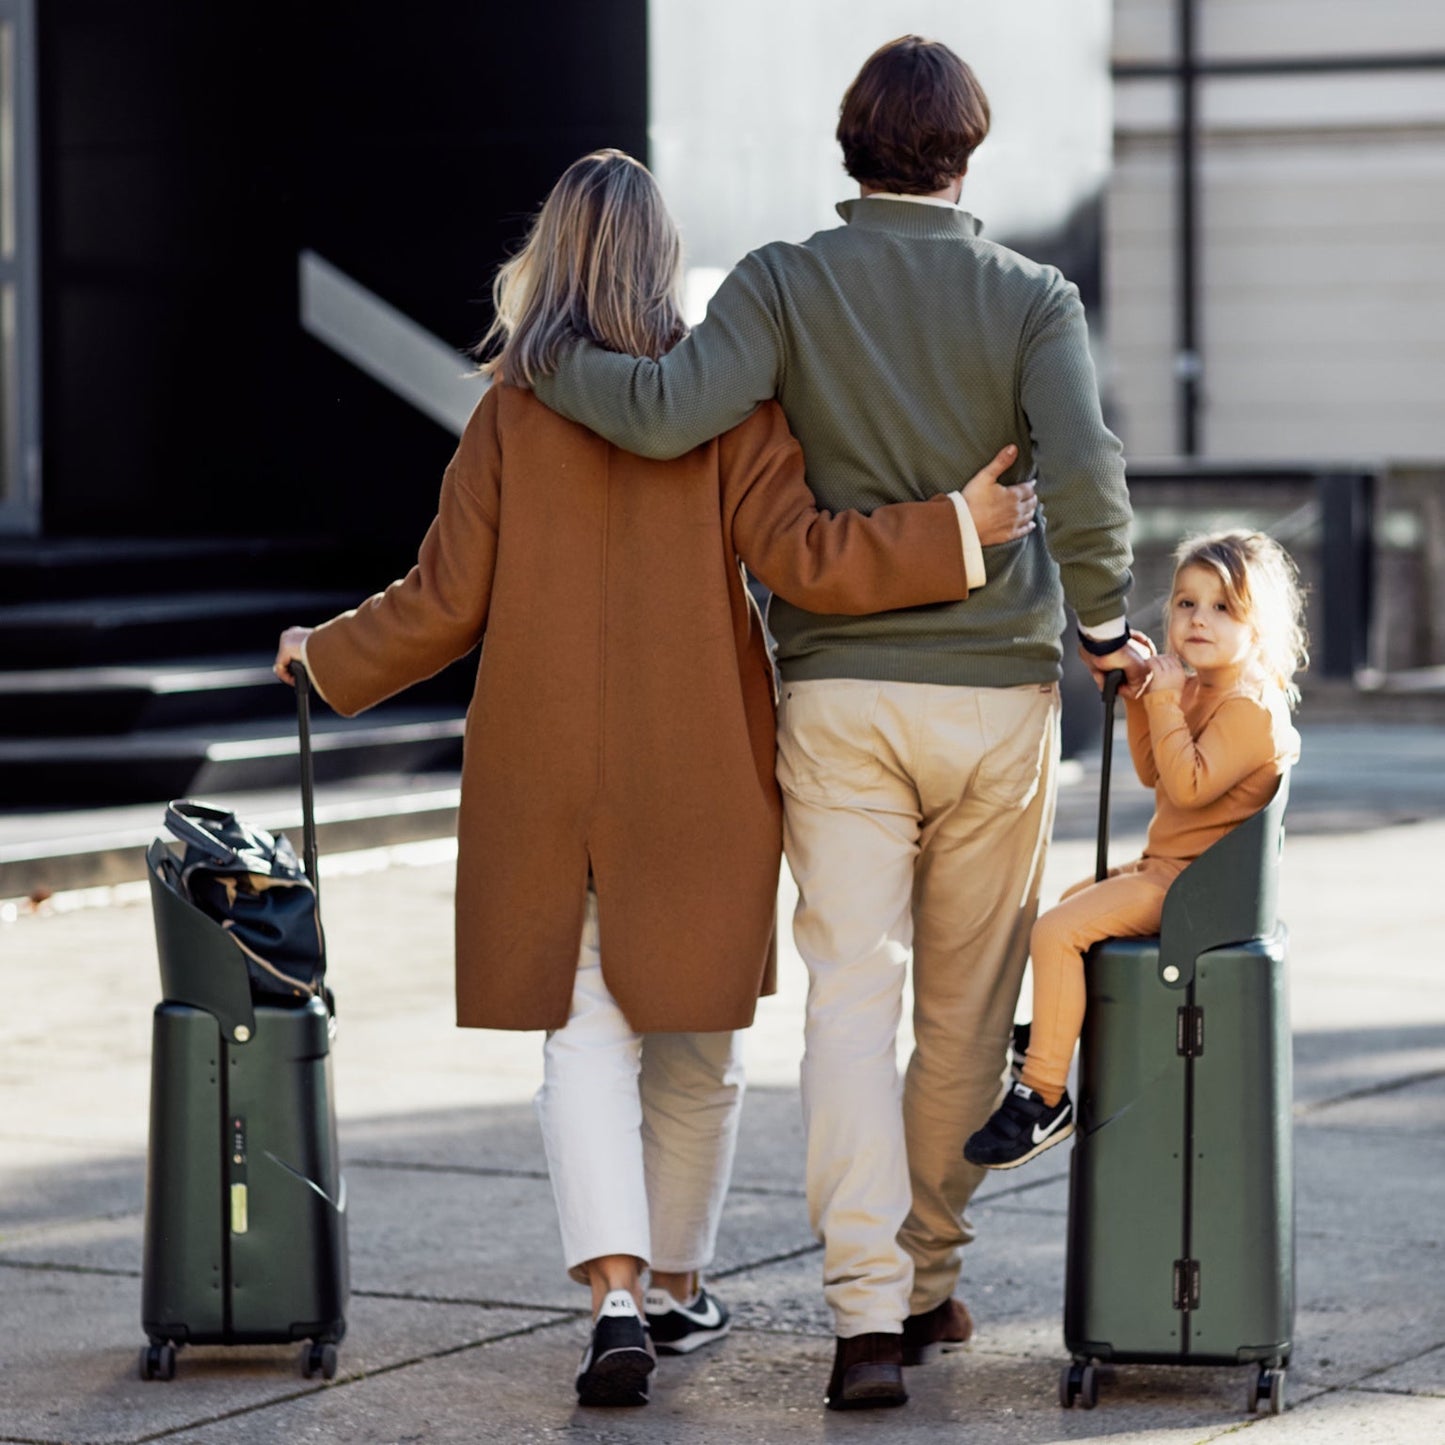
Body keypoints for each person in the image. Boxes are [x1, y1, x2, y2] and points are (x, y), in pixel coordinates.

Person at [271, 149, 1036, 1409]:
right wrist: (955, 527)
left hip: (544, 774)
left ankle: (615, 1297)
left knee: (582, 1035)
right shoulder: (731, 406)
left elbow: (442, 602)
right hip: (702, 775)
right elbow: (804, 557)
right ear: (661, 263)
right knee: (694, 1046)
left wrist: (323, 654)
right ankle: (677, 1284)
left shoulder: (511, 413)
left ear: (553, 257)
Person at [531, 38, 1145, 1409]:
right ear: (967, 154)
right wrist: (1106, 628)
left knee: (850, 1003)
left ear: (846, 146)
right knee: (966, 1012)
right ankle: (926, 1274)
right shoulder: (1033, 297)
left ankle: (867, 1314)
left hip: (838, 699)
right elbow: (1090, 482)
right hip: (995, 696)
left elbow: (666, 410)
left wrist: (551, 351)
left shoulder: (781, 284)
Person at [966, 530, 1306, 1168]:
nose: (1198, 619)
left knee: (1057, 930)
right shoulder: (1200, 687)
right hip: (1172, 872)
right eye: (1185, 603)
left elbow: (1189, 783)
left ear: (1259, 628)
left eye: (1223, 608)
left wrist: (1167, 698)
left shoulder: (1251, 710)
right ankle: (1052, 1030)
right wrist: (1150, 701)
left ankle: (1042, 1096)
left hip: (1196, 889)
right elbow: (1154, 771)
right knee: (1073, 903)